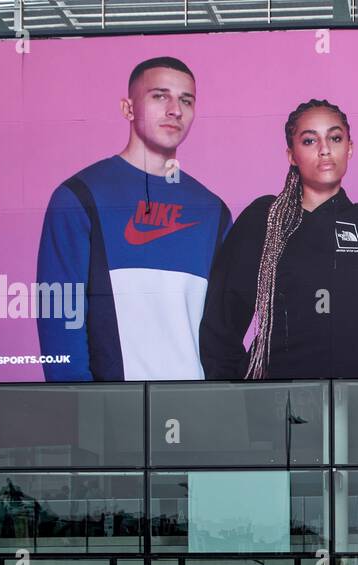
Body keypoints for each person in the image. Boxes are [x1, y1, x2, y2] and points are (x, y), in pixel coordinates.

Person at [199, 99, 358, 380]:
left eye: (335, 138)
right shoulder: (264, 219)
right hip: (268, 404)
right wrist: (237, 401)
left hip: (347, 406)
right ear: (291, 154)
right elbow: (219, 328)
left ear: (349, 148)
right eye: (309, 141)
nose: (325, 149)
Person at [36, 56, 232, 381]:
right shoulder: (78, 198)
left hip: (201, 410)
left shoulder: (214, 211)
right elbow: (59, 319)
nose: (175, 110)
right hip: (113, 413)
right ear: (128, 108)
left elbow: (222, 333)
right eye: (159, 96)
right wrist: (84, 408)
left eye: (186, 100)